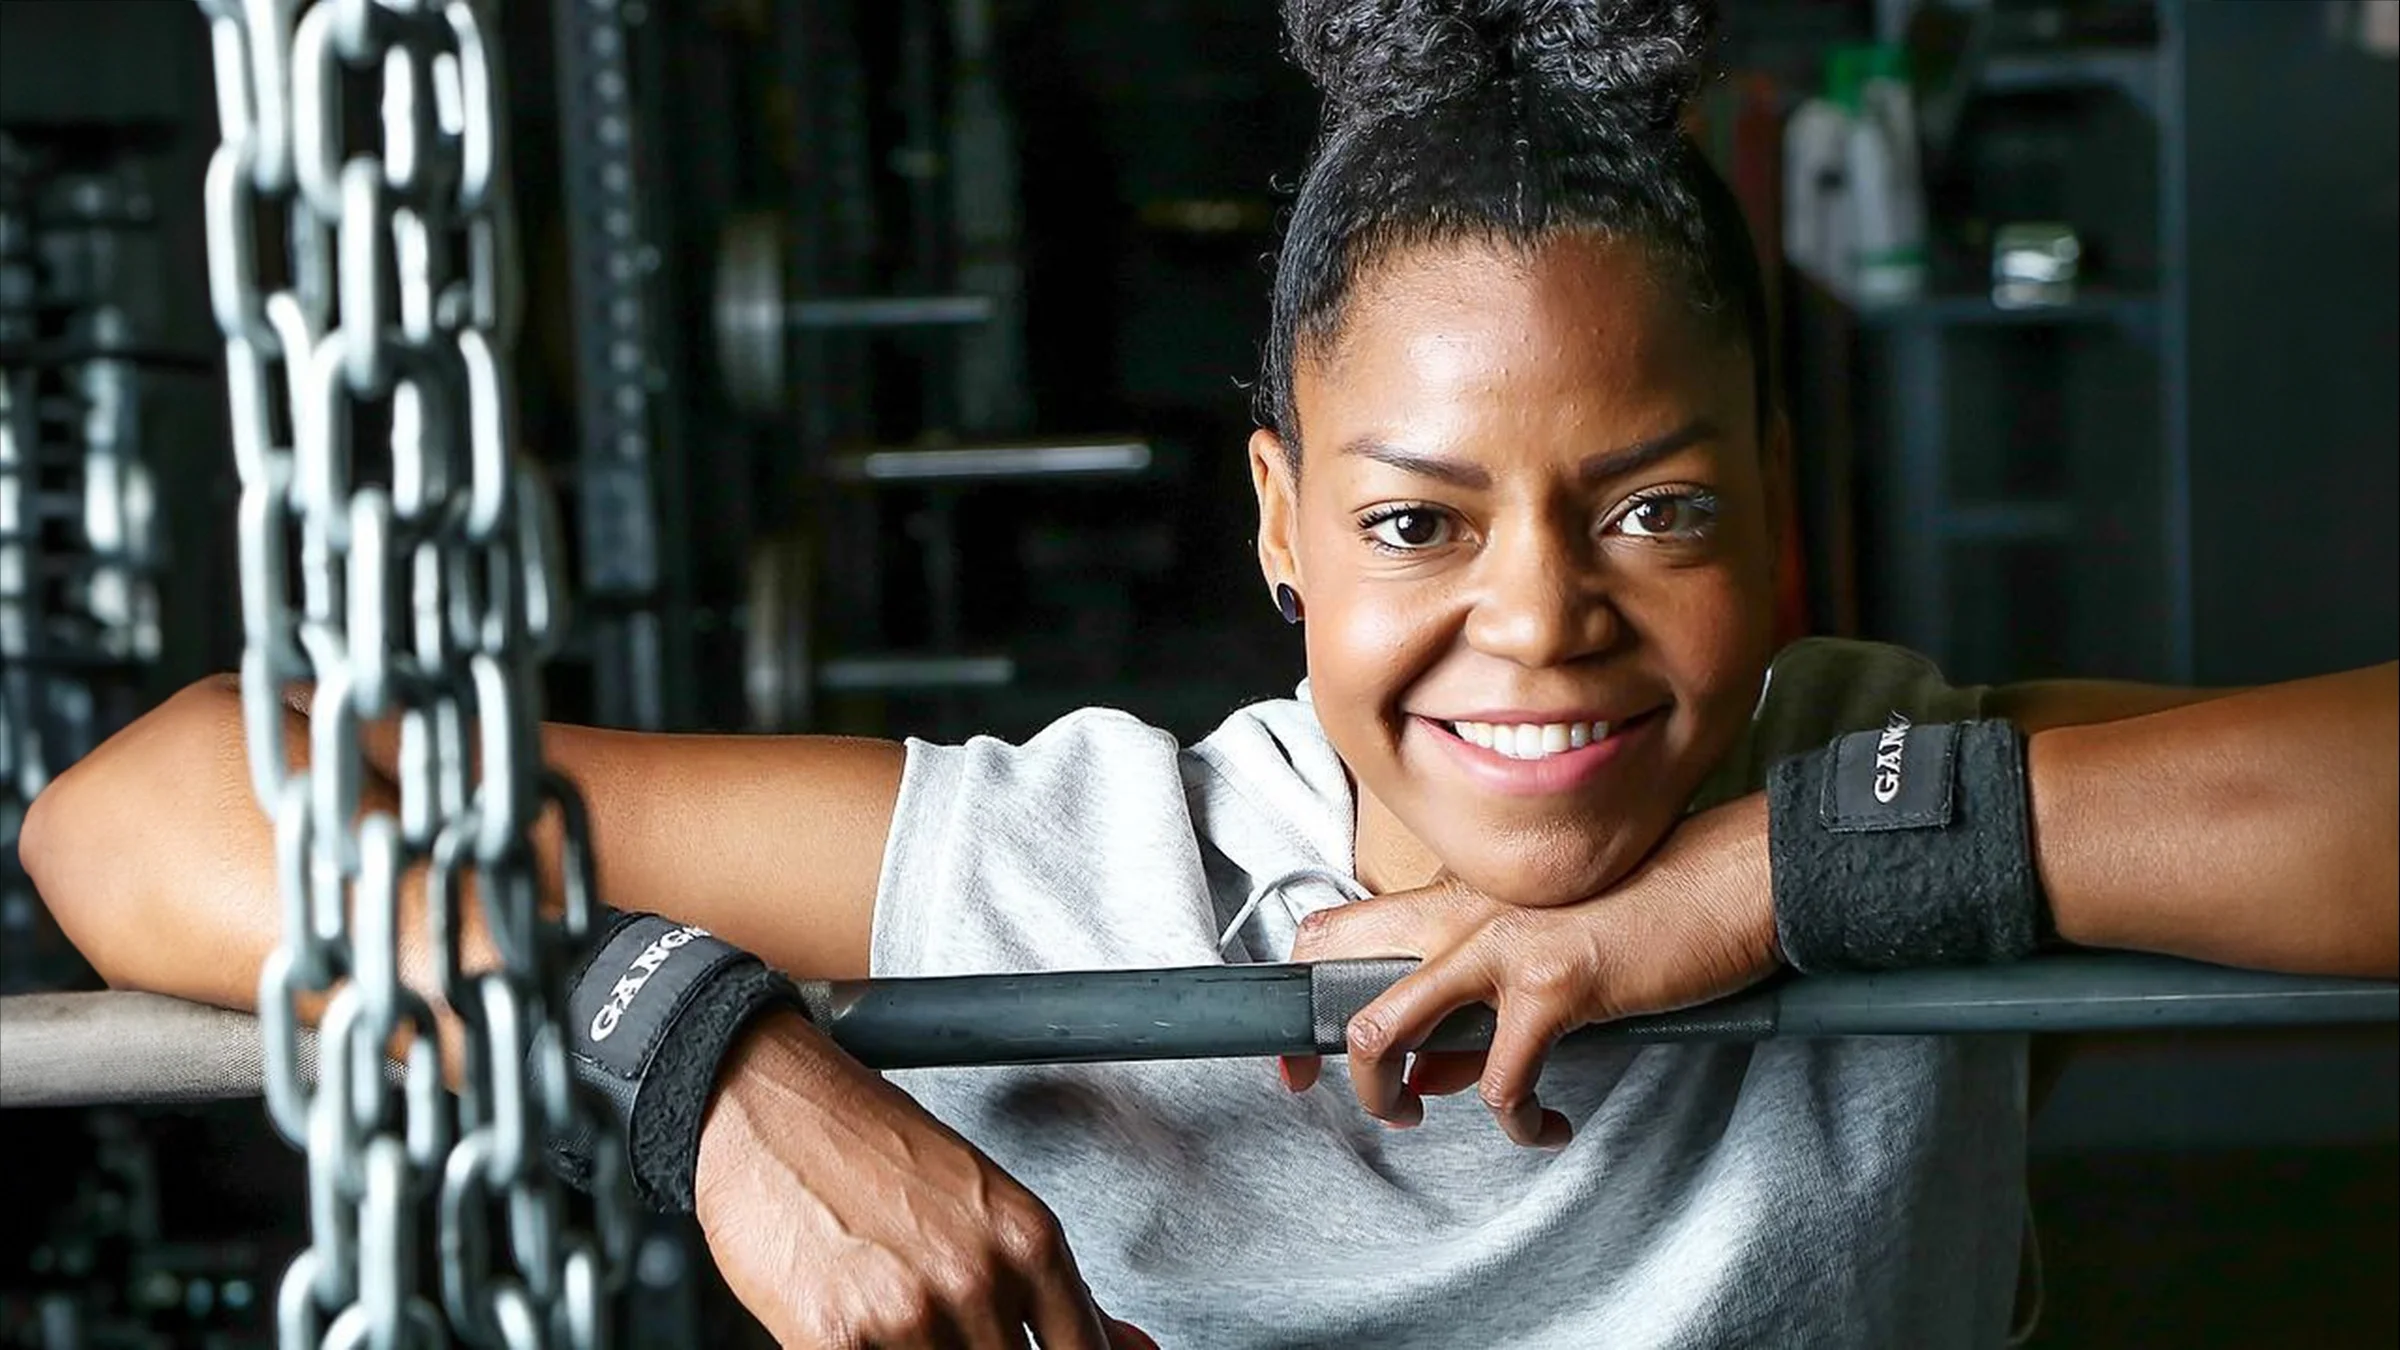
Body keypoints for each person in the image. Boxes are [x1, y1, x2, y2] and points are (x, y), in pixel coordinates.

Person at [21, 1, 2396, 1346]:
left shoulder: (1880, 788)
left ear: (1781, 492)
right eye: (1415, 523)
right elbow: (137, 815)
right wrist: (706, 1062)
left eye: (1655, 505)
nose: (1544, 613)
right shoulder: (1080, 875)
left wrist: (1759, 887)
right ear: (1278, 526)